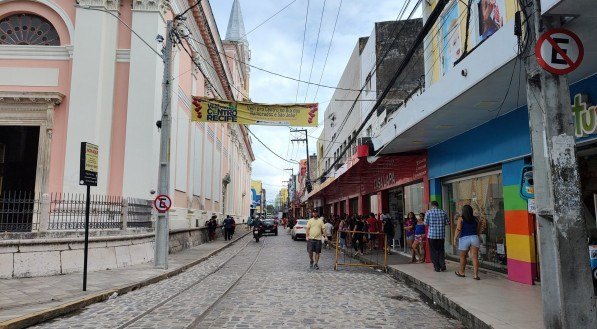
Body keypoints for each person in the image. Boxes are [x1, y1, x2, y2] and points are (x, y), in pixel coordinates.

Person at [454, 205, 482, 280]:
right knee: (475, 257)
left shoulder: (461, 219)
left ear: (463, 211)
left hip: (464, 238)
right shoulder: (476, 219)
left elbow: (458, 229)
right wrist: (478, 236)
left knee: (463, 256)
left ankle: (462, 272)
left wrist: (454, 238)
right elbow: (478, 230)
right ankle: (475, 275)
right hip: (474, 237)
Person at [424, 201, 450, 272]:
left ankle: (436, 267)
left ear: (431, 205)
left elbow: (425, 223)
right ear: (438, 205)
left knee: (433, 251)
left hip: (432, 235)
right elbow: (448, 223)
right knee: (441, 250)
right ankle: (442, 264)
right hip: (441, 235)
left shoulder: (428, 212)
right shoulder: (443, 212)